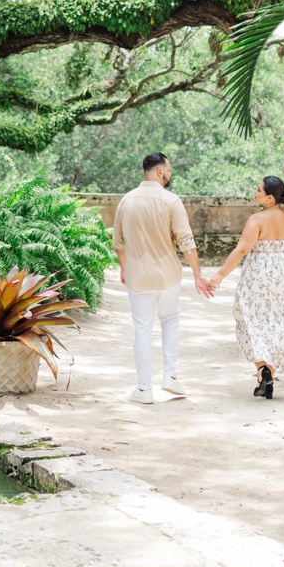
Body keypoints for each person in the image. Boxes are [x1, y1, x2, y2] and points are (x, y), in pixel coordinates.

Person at [112, 151, 213, 404]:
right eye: (168, 170)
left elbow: (118, 242)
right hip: (168, 275)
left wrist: (124, 268)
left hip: (138, 276)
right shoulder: (171, 201)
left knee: (142, 330)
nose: (169, 174)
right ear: (160, 171)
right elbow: (186, 241)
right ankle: (171, 377)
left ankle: (144, 390)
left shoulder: (126, 201)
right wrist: (198, 274)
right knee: (170, 321)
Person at [206, 175, 284, 398]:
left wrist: (219, 275)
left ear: (270, 198)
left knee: (252, 320)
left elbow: (242, 250)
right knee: (280, 324)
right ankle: (267, 373)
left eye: (258, 190)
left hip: (259, 275)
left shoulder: (256, 220)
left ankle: (262, 370)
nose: (255, 192)